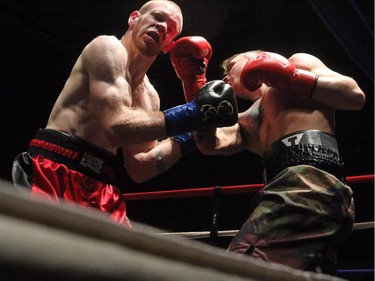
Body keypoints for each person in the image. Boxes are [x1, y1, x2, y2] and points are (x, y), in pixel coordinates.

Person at [11, 0, 238, 228]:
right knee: (37, 258)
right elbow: (117, 127)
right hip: (53, 172)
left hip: (100, 187)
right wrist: (194, 113)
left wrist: (192, 132)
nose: (162, 27)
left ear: (169, 46)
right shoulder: (106, 48)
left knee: (122, 261)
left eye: (170, 29)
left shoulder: (150, 97)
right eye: (157, 17)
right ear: (134, 18)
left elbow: (142, 166)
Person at [195, 50, 365, 274]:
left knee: (236, 270)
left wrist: (293, 78)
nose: (225, 77)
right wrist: (195, 86)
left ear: (256, 56)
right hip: (294, 192)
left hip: (307, 185)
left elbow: (354, 96)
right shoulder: (246, 120)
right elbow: (210, 144)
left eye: (231, 66)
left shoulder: (298, 62)